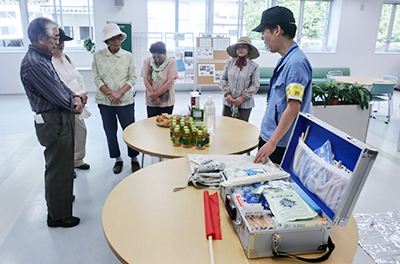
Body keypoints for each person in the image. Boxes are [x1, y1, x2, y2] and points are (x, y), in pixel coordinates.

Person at [20, 17, 82, 227]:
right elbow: (58, 95)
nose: (57, 42)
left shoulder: (44, 58)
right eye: (55, 37)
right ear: (40, 38)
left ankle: (61, 200)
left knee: (63, 166)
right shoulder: (35, 63)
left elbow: (61, 85)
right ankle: (58, 215)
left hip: (59, 117)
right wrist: (75, 101)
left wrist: (74, 94)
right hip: (53, 120)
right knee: (58, 168)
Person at [253, 6, 312, 164]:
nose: (263, 38)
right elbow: (276, 102)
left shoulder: (296, 64)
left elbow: (293, 108)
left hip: (280, 144)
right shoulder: (285, 61)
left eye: (263, 32)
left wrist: (271, 142)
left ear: (277, 30)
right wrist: (266, 133)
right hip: (272, 138)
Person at [92, 23, 140, 174]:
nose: (117, 41)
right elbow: (96, 77)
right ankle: (117, 159)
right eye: (113, 39)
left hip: (124, 100)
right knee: (110, 131)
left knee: (129, 130)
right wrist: (109, 93)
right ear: (107, 41)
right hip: (105, 102)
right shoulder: (98, 55)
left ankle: (134, 158)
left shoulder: (127, 56)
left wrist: (119, 93)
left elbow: (132, 78)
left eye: (118, 38)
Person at [52, 28, 91, 170]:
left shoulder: (66, 58)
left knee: (81, 132)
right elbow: (59, 85)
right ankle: (66, 166)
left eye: (63, 41)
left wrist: (82, 96)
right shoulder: (48, 62)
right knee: (66, 137)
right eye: (58, 41)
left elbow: (78, 77)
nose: (61, 44)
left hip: (78, 102)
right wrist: (77, 99)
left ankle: (77, 160)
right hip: (65, 105)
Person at [219, 36, 260, 122]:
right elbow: (223, 79)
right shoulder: (229, 63)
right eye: (238, 47)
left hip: (245, 104)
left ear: (249, 49)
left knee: (241, 129)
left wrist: (242, 97)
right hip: (228, 102)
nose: (240, 49)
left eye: (244, 47)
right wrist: (227, 94)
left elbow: (255, 85)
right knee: (226, 125)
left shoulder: (254, 66)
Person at [141, 41, 178, 117]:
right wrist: (154, 97)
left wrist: (156, 94)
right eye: (154, 57)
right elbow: (145, 79)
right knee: (151, 123)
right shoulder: (147, 62)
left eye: (159, 57)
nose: (157, 59)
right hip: (151, 100)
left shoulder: (171, 62)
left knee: (165, 122)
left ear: (165, 53)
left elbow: (169, 82)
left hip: (166, 100)